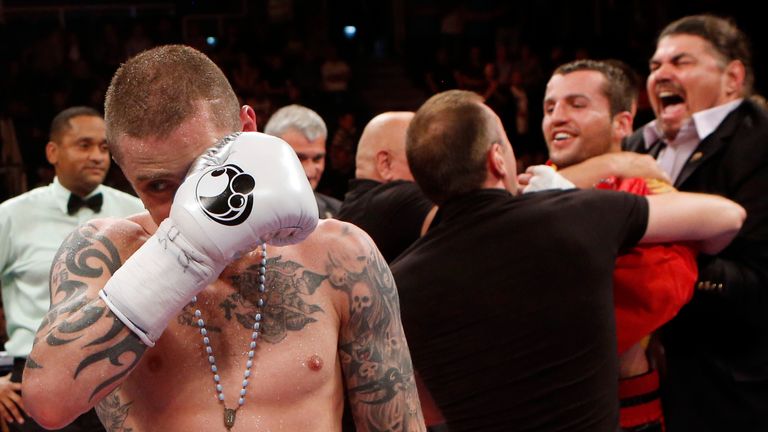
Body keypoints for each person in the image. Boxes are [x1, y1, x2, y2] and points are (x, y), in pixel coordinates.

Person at [21, 45, 424, 432]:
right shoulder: (105, 254)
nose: (190, 204)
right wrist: (184, 252)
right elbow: (49, 403)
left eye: (207, 172)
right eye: (159, 185)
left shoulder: (340, 256)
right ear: (124, 170)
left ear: (247, 129)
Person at [390, 89, 745, 431]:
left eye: (576, 104)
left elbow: (417, 406)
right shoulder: (577, 214)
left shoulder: (399, 281)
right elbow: (727, 217)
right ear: (497, 158)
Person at [530, 59, 699, 431]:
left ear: (622, 123)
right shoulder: (523, 191)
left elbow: (661, 286)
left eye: (577, 104)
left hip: (624, 405)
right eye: (549, 107)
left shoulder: (650, 191)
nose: (558, 116)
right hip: (534, 404)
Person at [622, 15, 768, 431]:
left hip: (731, 387)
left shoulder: (758, 141)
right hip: (651, 386)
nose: (661, 74)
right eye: (654, 66)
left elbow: (758, 281)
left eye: (680, 62)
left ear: (732, 78)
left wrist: (649, 265)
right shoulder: (635, 144)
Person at [0, 106, 144, 431]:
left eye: (105, 148)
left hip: (120, 377)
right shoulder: (11, 216)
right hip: (32, 382)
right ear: (53, 152)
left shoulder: (136, 213)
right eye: (84, 145)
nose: (97, 156)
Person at [337, 112, 437, 263]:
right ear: (386, 163)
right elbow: (470, 219)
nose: (437, 165)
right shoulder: (400, 199)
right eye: (425, 156)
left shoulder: (358, 207)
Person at [263, 104, 341, 219]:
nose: (309, 172)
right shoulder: (238, 214)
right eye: (298, 158)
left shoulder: (338, 214)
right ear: (269, 155)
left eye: (317, 159)